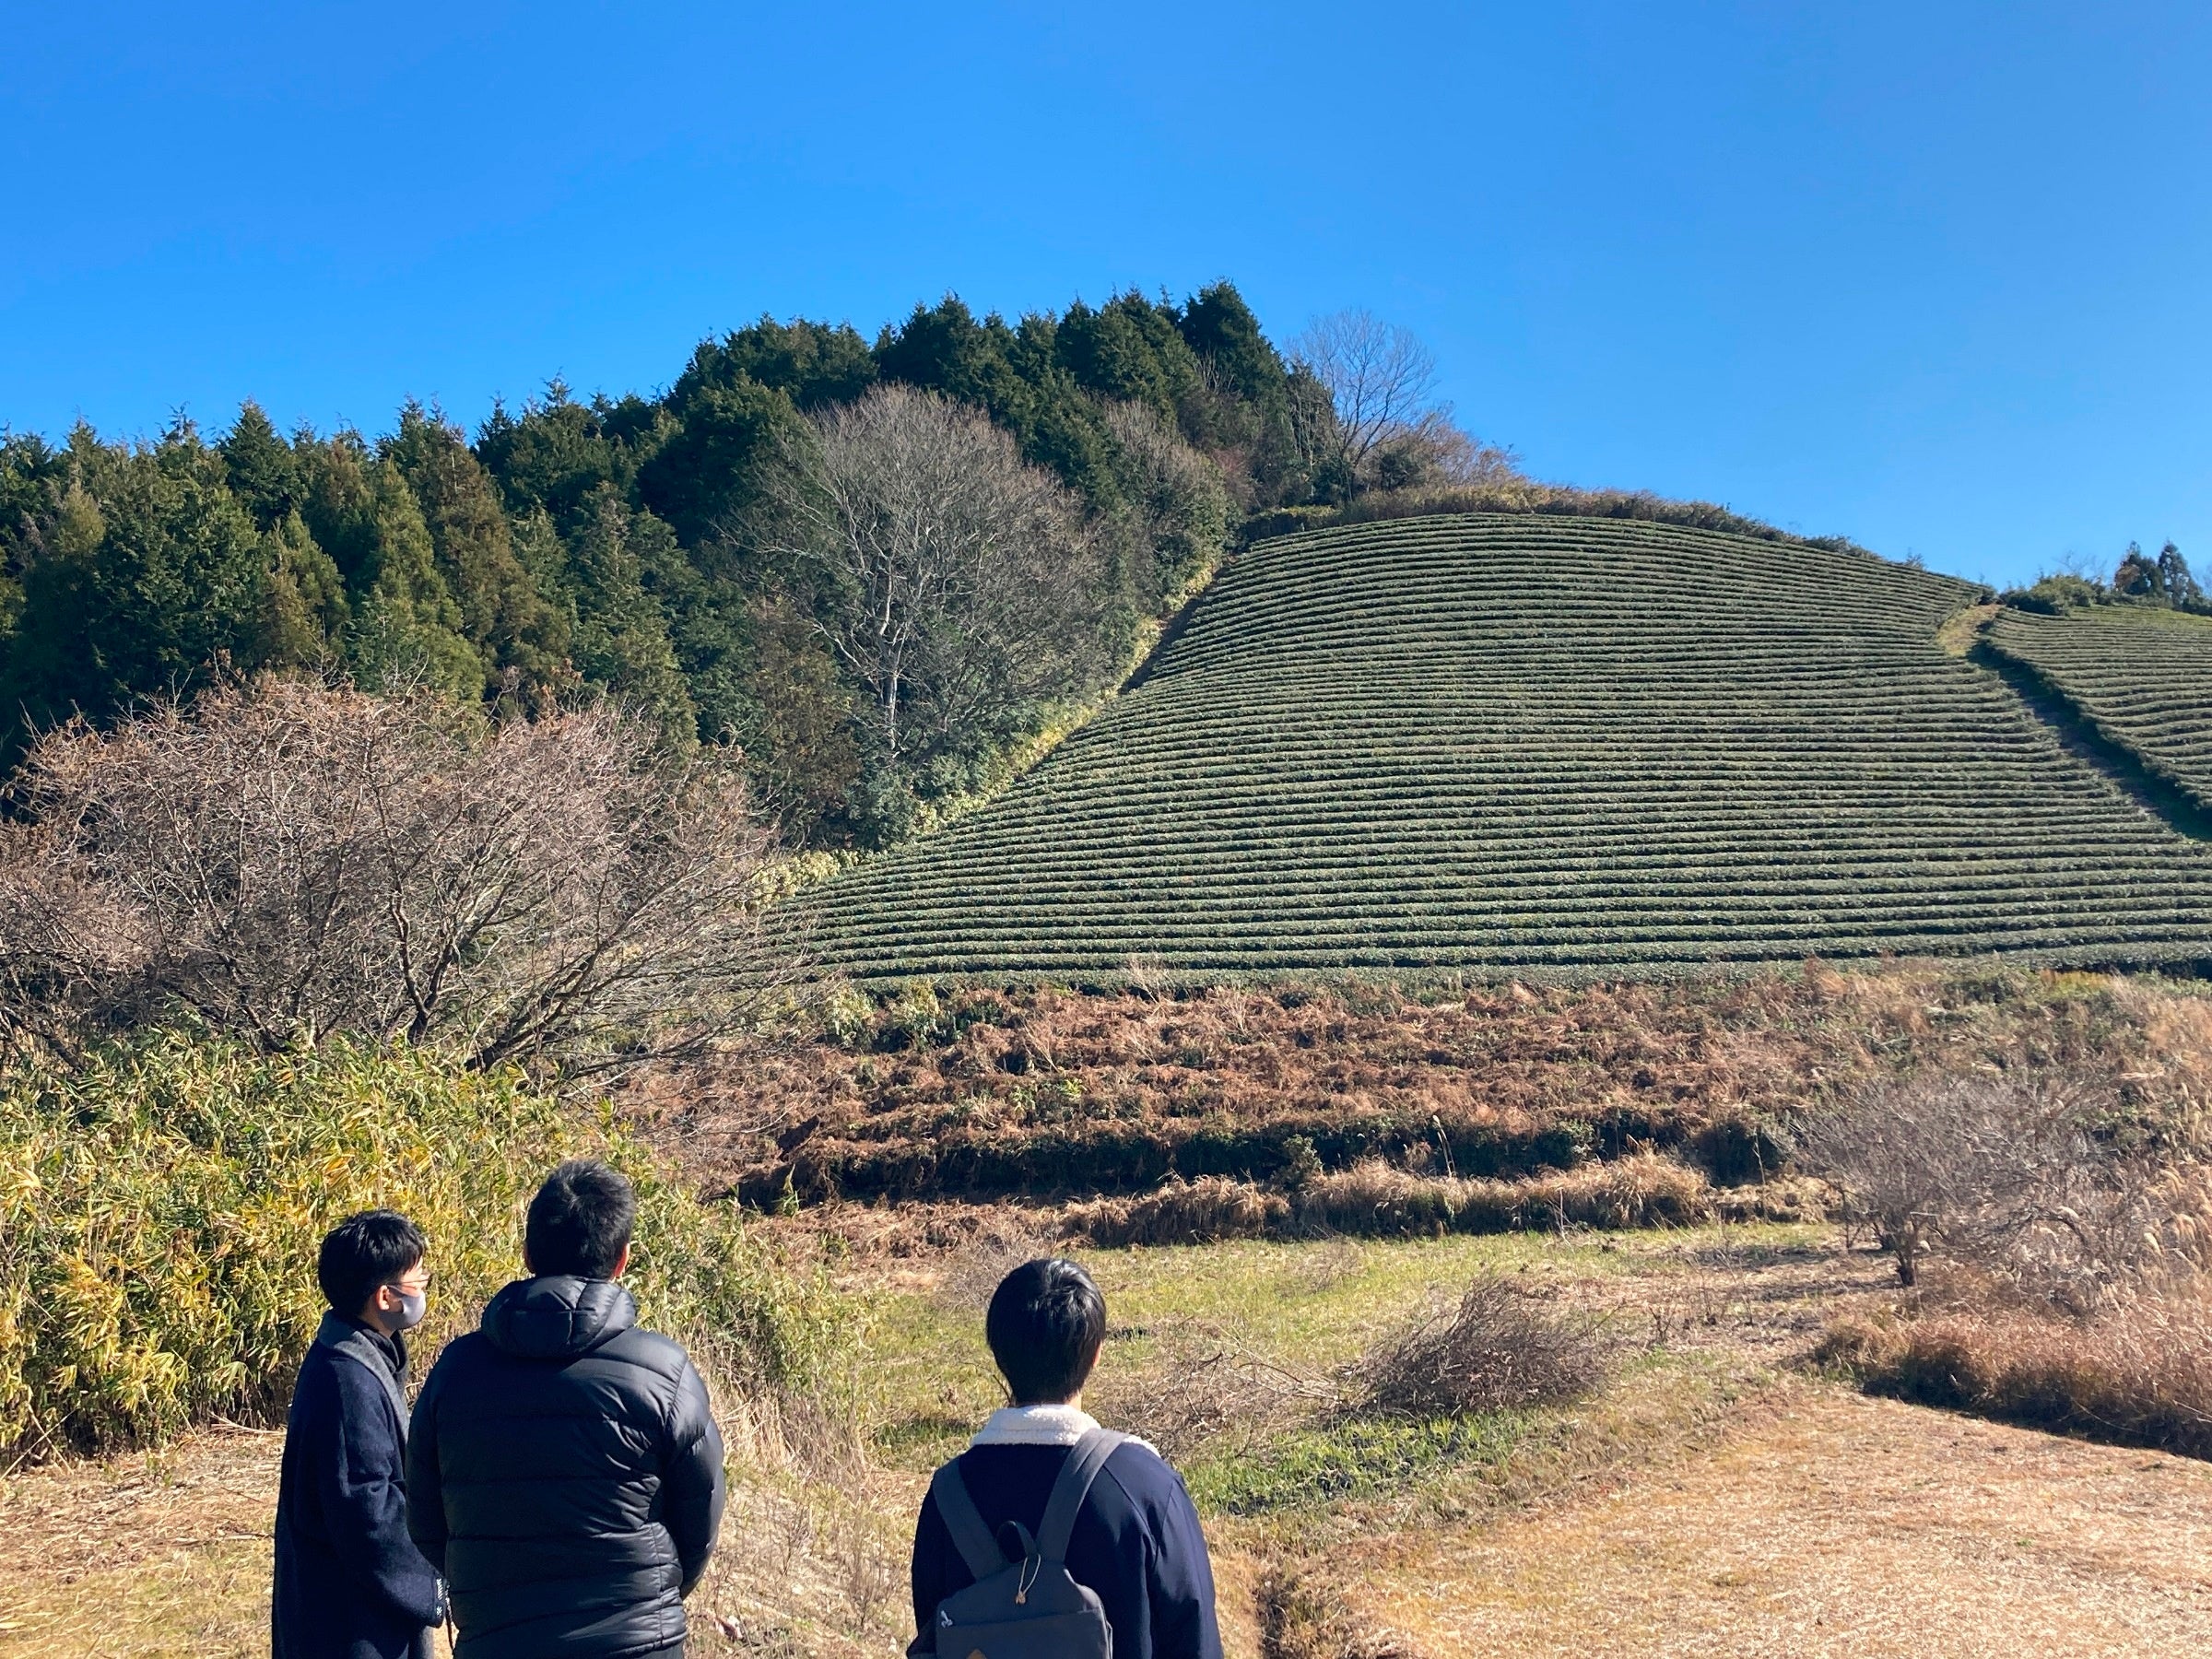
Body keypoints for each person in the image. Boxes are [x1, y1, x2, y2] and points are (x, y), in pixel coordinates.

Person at [406, 1159, 725, 1659]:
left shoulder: (457, 1370)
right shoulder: (663, 1370)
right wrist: (651, 1594)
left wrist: (488, 1593)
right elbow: (699, 1514)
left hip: (499, 1639)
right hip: (634, 1639)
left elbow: (424, 1518)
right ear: (622, 1260)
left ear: (528, 1253)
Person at [909, 1257, 1222, 1659]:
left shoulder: (947, 1498)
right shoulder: (1146, 1487)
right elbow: (1194, 1639)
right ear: (1095, 1355)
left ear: (999, 1358)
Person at [273, 1209, 446, 1659]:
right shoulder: (347, 1377)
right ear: (386, 1296)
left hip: (350, 1607)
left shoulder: (355, 1351)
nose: (424, 1285)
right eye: (417, 1277)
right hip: (349, 1623)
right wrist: (433, 1583)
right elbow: (368, 1509)